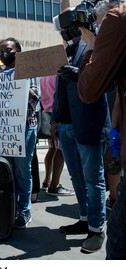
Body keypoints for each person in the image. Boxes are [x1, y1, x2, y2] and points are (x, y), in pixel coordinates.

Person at [51, 34, 110, 253]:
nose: (65, 31)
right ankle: (85, 219)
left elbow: (105, 80)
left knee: (93, 179)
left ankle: (97, 229)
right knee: (77, 176)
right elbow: (59, 88)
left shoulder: (95, 45)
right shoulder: (64, 51)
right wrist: (56, 118)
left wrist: (79, 74)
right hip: (66, 124)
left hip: (87, 123)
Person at [77, 0, 126, 259]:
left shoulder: (116, 19)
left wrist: (93, 47)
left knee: (118, 245)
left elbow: (88, 88)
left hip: (96, 130)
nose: (97, 28)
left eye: (97, 23)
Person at [0, 38, 40, 228]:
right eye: (1, 51)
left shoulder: (29, 71)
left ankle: (24, 210)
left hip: (25, 128)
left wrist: (20, 83)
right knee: (8, 171)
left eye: (7, 50)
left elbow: (36, 99)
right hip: (5, 129)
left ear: (18, 51)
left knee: (22, 171)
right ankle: (10, 208)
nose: (4, 54)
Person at [38, 75, 66, 197]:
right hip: (57, 114)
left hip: (47, 113)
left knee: (53, 148)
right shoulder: (57, 75)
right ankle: (54, 184)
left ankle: (46, 181)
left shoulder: (43, 76)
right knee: (60, 150)